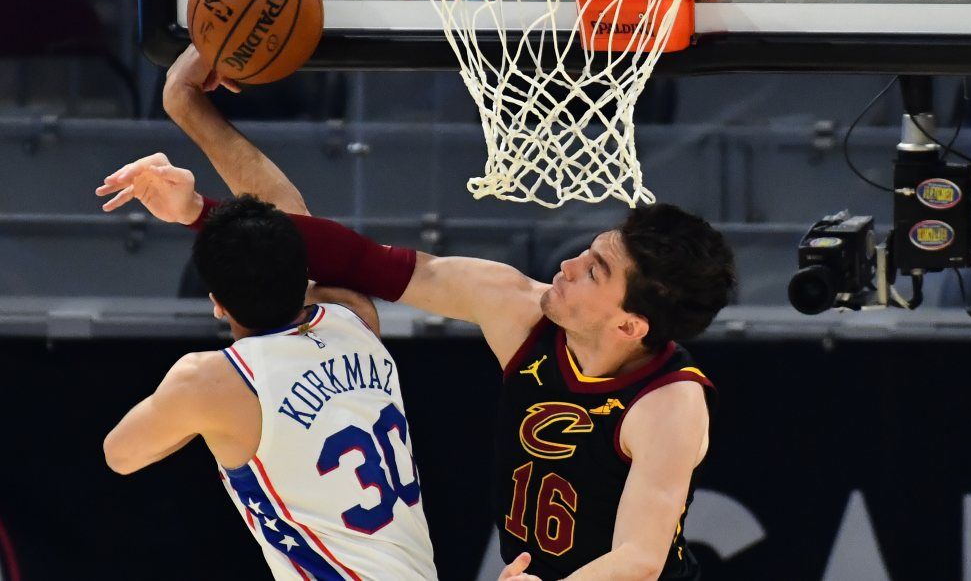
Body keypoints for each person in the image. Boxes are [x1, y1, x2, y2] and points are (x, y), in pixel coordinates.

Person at [99, 45, 735, 580]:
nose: (568, 264)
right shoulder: (515, 305)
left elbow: (640, 559)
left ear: (630, 325)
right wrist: (201, 213)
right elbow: (353, 258)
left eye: (594, 272)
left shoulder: (671, 403)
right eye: (588, 251)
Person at [101, 194, 442, 579]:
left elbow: (120, 455)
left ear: (217, 304)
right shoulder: (354, 315)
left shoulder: (208, 380)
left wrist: (197, 418)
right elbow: (302, 239)